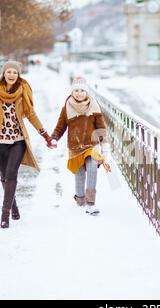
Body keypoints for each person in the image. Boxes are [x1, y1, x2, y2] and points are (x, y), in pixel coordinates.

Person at [0, 60, 56, 228]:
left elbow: (31, 114)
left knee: (12, 174)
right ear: (4, 73)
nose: (12, 74)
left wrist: (46, 135)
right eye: (9, 72)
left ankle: (4, 215)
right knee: (4, 177)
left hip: (18, 141)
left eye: (15, 72)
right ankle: (13, 205)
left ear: (18, 74)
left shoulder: (22, 91)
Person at [51, 76, 110, 215]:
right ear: (72, 92)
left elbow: (100, 127)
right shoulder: (67, 108)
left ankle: (91, 203)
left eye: (82, 90)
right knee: (79, 174)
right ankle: (80, 199)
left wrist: (104, 144)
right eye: (76, 90)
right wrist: (54, 138)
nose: (79, 93)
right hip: (75, 147)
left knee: (92, 169)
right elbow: (60, 127)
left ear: (86, 92)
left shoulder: (94, 106)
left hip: (92, 145)